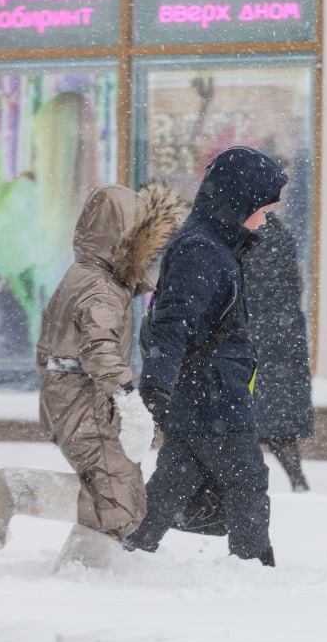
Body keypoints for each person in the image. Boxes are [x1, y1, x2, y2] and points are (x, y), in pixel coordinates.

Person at [0, 182, 186, 569]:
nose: (150, 253)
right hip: (83, 398)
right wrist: (129, 401)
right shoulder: (100, 287)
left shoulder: (90, 275)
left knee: (118, 494)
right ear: (124, 238)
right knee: (118, 499)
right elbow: (99, 349)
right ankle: (77, 571)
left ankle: (71, 558)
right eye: (144, 240)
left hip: (73, 395)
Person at [123, 146, 287, 566]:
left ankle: (129, 551)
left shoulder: (216, 244)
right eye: (262, 209)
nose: (266, 219)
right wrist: (157, 386)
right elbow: (173, 322)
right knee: (247, 482)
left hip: (206, 392)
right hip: (212, 396)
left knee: (172, 482)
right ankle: (254, 566)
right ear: (238, 201)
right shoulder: (202, 249)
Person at [243, 210, 315, 491]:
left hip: (260, 341)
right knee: (276, 424)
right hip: (282, 341)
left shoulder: (249, 237)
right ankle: (297, 481)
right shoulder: (279, 234)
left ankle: (247, 488)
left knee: (248, 419)